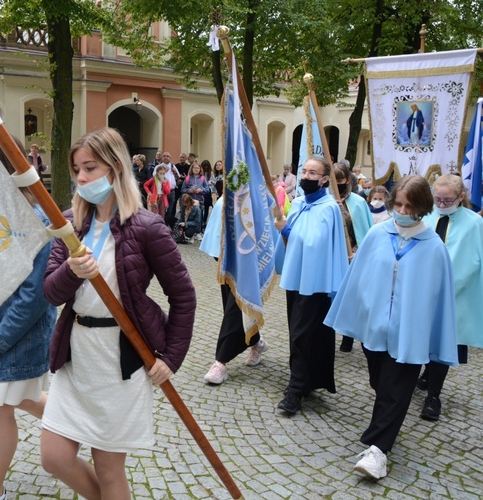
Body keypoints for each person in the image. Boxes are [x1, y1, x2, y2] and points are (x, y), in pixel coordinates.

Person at [40, 127, 195, 499]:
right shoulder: (69, 224)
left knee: (110, 472)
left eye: (90, 168)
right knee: (54, 457)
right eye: (76, 169)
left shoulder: (147, 228)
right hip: (76, 357)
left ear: (115, 167)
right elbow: (50, 291)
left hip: (120, 363)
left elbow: (184, 296)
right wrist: (71, 271)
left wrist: (171, 358)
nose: (81, 178)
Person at [324, 175, 458, 480]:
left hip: (409, 333)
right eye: (397, 204)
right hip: (376, 330)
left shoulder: (434, 247)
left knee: (397, 389)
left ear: (422, 208)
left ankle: (378, 452)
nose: (402, 210)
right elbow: (358, 279)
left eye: (409, 206)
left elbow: (439, 297)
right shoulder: (376, 234)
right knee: (380, 383)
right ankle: (380, 433)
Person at [0, 135, 57, 500]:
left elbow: (35, 296)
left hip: (20, 335)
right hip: (1, 332)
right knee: (22, 399)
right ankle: (76, 425)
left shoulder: (34, 223)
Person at [273, 157, 349, 414]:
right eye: (303, 171)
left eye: (313, 172)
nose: (306, 176)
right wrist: (284, 231)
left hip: (315, 282)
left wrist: (286, 230)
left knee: (302, 334)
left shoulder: (328, 208)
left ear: (325, 179)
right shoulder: (298, 203)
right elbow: (293, 247)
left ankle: (295, 389)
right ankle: (306, 381)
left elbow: (315, 245)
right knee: (299, 331)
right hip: (297, 278)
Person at [416, 174, 483, 421]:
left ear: (461, 197)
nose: (442, 205)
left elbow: (473, 261)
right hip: (421, 291)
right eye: (438, 199)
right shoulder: (427, 215)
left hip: (454, 294)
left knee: (444, 343)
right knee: (420, 338)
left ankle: (433, 395)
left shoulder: (474, 223)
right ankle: (422, 375)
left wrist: (448, 285)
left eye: (448, 200)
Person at [201, 197, 269, 385]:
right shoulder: (225, 197)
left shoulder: (257, 195)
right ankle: (255, 341)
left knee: (235, 308)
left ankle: (221, 361)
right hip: (226, 257)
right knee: (230, 306)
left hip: (249, 259)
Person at [333, 162, 374, 352]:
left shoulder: (358, 202)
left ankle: (348, 336)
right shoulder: (327, 200)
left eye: (339, 179)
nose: (336, 183)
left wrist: (359, 252)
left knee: (352, 296)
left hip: (353, 254)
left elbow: (365, 229)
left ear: (348, 180)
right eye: (333, 180)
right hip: (333, 255)